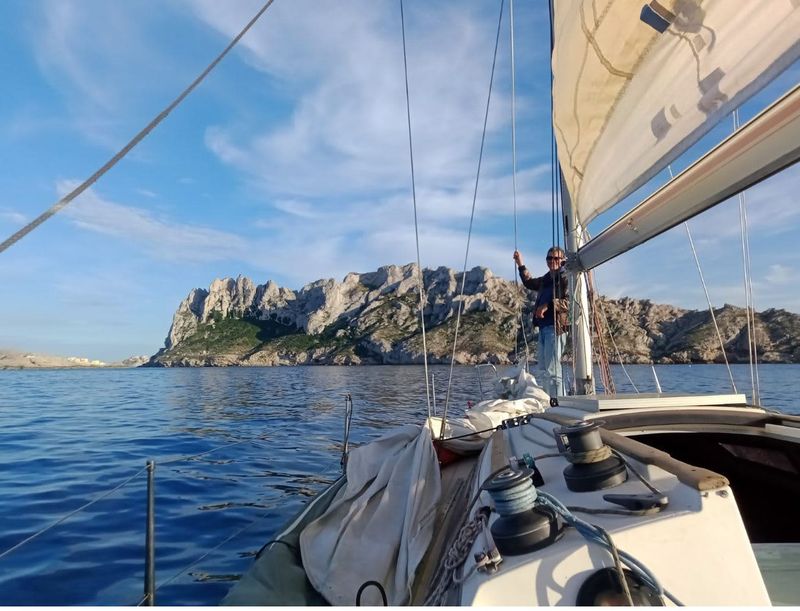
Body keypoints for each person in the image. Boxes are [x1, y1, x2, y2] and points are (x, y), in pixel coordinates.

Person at [513, 247, 568, 397]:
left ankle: (558, 401)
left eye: (556, 258)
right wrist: (520, 263)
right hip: (543, 329)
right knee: (544, 370)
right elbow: (529, 283)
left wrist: (548, 305)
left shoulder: (566, 278)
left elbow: (570, 302)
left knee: (552, 370)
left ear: (563, 260)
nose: (552, 261)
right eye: (549, 258)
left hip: (556, 328)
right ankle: (549, 401)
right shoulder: (546, 279)